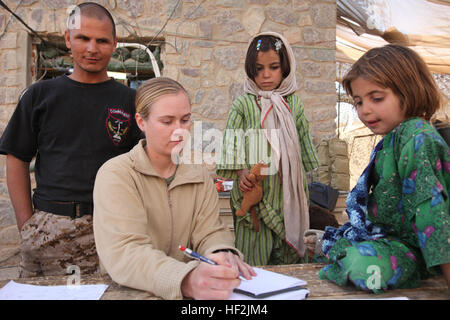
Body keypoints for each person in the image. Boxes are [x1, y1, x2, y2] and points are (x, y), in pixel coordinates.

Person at [0, 2, 141, 277]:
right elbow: (16, 157)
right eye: (83, 38)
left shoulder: (130, 101)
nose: (92, 48)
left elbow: (144, 165)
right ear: (68, 39)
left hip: (112, 228)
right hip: (49, 228)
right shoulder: (39, 96)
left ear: (114, 44)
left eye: (101, 40)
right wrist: (27, 226)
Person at [93, 77, 255, 300]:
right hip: (130, 293)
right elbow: (126, 251)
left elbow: (210, 231)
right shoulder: (117, 175)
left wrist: (221, 252)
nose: (179, 131)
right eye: (167, 122)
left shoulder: (198, 176)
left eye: (185, 120)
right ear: (141, 122)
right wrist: (186, 280)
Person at [318, 44, 450, 292]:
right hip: (393, 241)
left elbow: (431, 212)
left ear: (408, 91)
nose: (364, 110)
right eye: (358, 102)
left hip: (421, 251)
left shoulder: (416, 137)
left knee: (359, 264)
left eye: (376, 98)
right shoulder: (391, 139)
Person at [216, 32, 320, 266]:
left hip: (287, 195)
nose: (265, 75)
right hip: (253, 193)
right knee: (254, 254)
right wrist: (242, 173)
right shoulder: (243, 104)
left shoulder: (293, 103)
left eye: (273, 67)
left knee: (287, 258)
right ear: (249, 70)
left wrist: (302, 180)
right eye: (258, 68)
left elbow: (303, 140)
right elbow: (231, 141)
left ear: (285, 67)